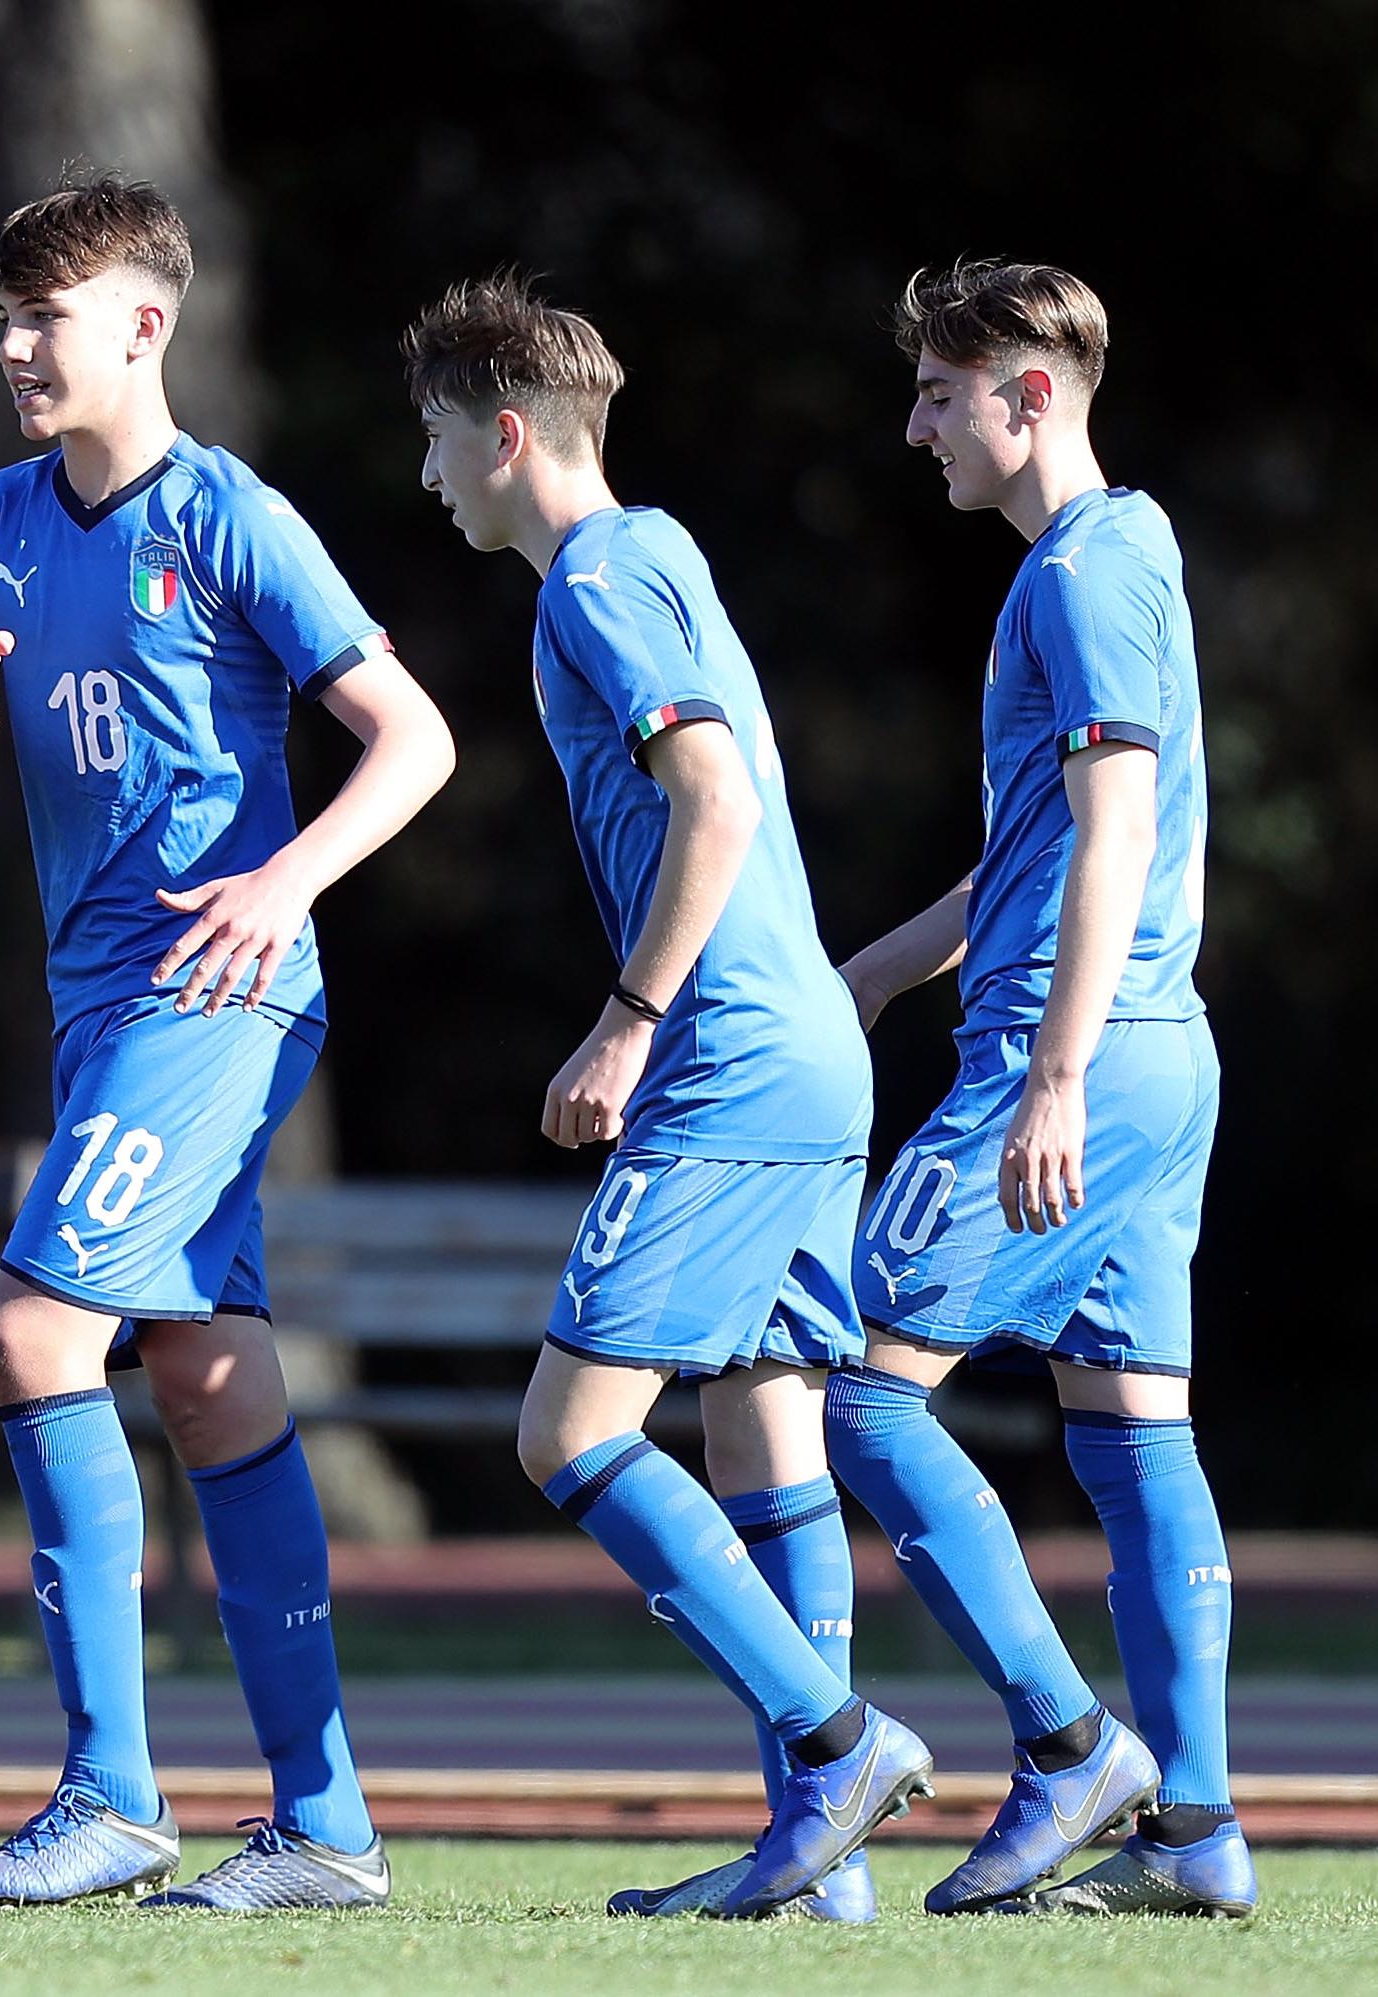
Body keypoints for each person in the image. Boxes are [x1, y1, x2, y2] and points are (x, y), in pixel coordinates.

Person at [0, 174, 456, 1910]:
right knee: (217, 1391)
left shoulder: (233, 518)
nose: (12, 347)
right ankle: (328, 1827)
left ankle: (112, 1791)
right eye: (3, 318)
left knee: (29, 1330)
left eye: (43, 317)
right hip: (103, 1014)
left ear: (144, 324)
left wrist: (283, 882)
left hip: (212, 999)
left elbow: (416, 739)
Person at [403, 274, 933, 1922]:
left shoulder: (595, 580)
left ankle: (835, 1742)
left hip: (729, 1057)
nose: (424, 474)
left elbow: (708, 798)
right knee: (762, 1415)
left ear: (504, 433)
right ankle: (819, 1864)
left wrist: (629, 1020)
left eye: (432, 438)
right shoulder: (665, 551)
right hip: (810, 1052)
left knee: (566, 1430)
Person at [828, 259, 1249, 1917]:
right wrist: (868, 971)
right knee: (1136, 1434)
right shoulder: (1125, 551)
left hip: (1067, 1055)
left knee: (856, 1378)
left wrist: (1053, 1074)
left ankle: (1072, 1747)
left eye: (940, 392)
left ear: (1029, 397)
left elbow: (1120, 827)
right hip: (1170, 1054)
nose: (916, 424)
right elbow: (1036, 846)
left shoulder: (1076, 577)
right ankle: (1198, 1829)